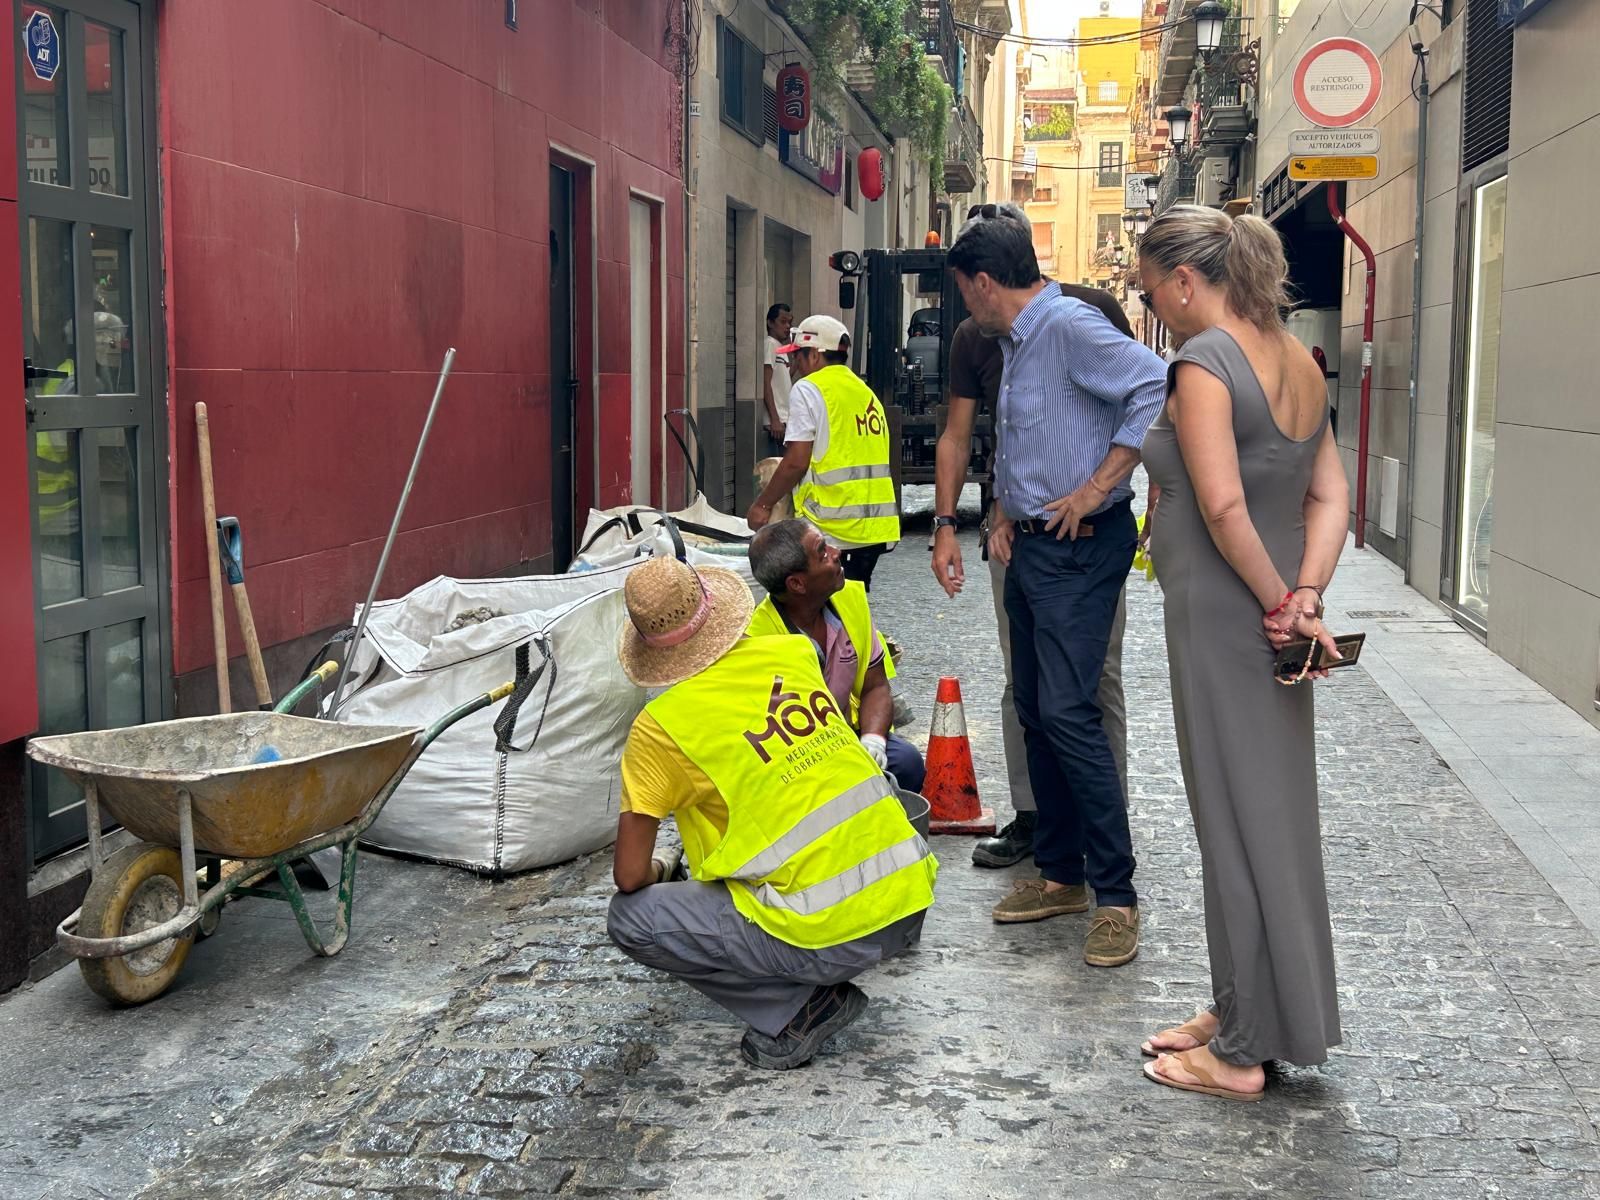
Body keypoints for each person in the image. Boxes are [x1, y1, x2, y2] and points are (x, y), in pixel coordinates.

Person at [1133, 206, 1348, 1101]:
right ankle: (1246, 1004)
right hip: (1264, 610)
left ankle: (1245, 1050)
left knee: (1234, 820)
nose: (1156, 312)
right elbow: (1330, 496)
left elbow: (1222, 510)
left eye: (1153, 293)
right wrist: (1305, 595)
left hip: (1228, 618)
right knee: (1269, 818)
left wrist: (1275, 606)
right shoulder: (1297, 360)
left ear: (1187, 281)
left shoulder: (1204, 365)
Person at [607, 555, 938, 1070]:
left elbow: (628, 876)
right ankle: (811, 970)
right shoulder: (794, 654)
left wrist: (660, 869)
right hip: (908, 899)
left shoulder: (661, 728)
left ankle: (802, 1010)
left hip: (837, 933)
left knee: (632, 919)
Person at [945, 216, 1165, 968]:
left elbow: (1153, 385)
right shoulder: (1012, 342)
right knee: (1038, 710)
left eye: (960, 291)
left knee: (1072, 715)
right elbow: (1030, 436)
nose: (960, 306)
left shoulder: (1067, 325)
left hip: (1079, 548)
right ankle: (1062, 876)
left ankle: (1116, 898)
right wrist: (1005, 505)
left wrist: (1099, 485)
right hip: (1031, 546)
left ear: (983, 281)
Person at [747, 519, 925, 794]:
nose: (836, 552)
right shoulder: (760, 640)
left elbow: (875, 686)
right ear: (797, 584)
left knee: (906, 763)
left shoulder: (850, 601)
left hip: (846, 735)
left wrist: (873, 741)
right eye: (822, 552)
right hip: (795, 757)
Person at [746, 315, 899, 592]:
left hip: (834, 529)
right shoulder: (863, 392)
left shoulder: (809, 389)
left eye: (799, 358)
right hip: (875, 530)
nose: (796, 366)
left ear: (815, 356)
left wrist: (763, 505)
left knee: (819, 610)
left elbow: (796, 462)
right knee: (852, 606)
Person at [763, 303, 794, 455]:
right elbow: (766, 382)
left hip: (785, 420)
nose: (787, 326)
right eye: (783, 322)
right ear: (770, 322)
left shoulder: (781, 348)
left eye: (790, 322)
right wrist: (774, 418)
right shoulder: (769, 344)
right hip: (776, 422)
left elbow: (785, 379)